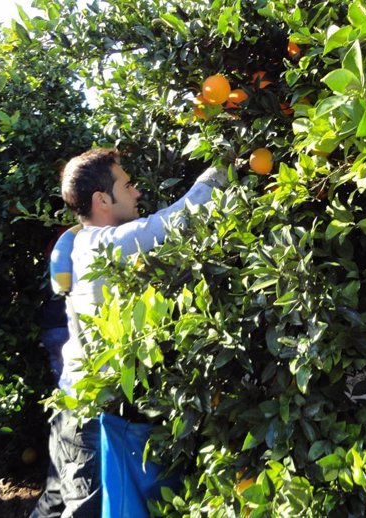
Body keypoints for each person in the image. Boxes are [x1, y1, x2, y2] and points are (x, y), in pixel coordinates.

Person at [30, 148, 228, 518]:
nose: (137, 192)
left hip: (72, 404)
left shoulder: (86, 240)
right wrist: (224, 168)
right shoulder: (102, 246)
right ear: (102, 199)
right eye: (128, 184)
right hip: (85, 416)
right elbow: (175, 221)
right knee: (83, 508)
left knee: (55, 502)